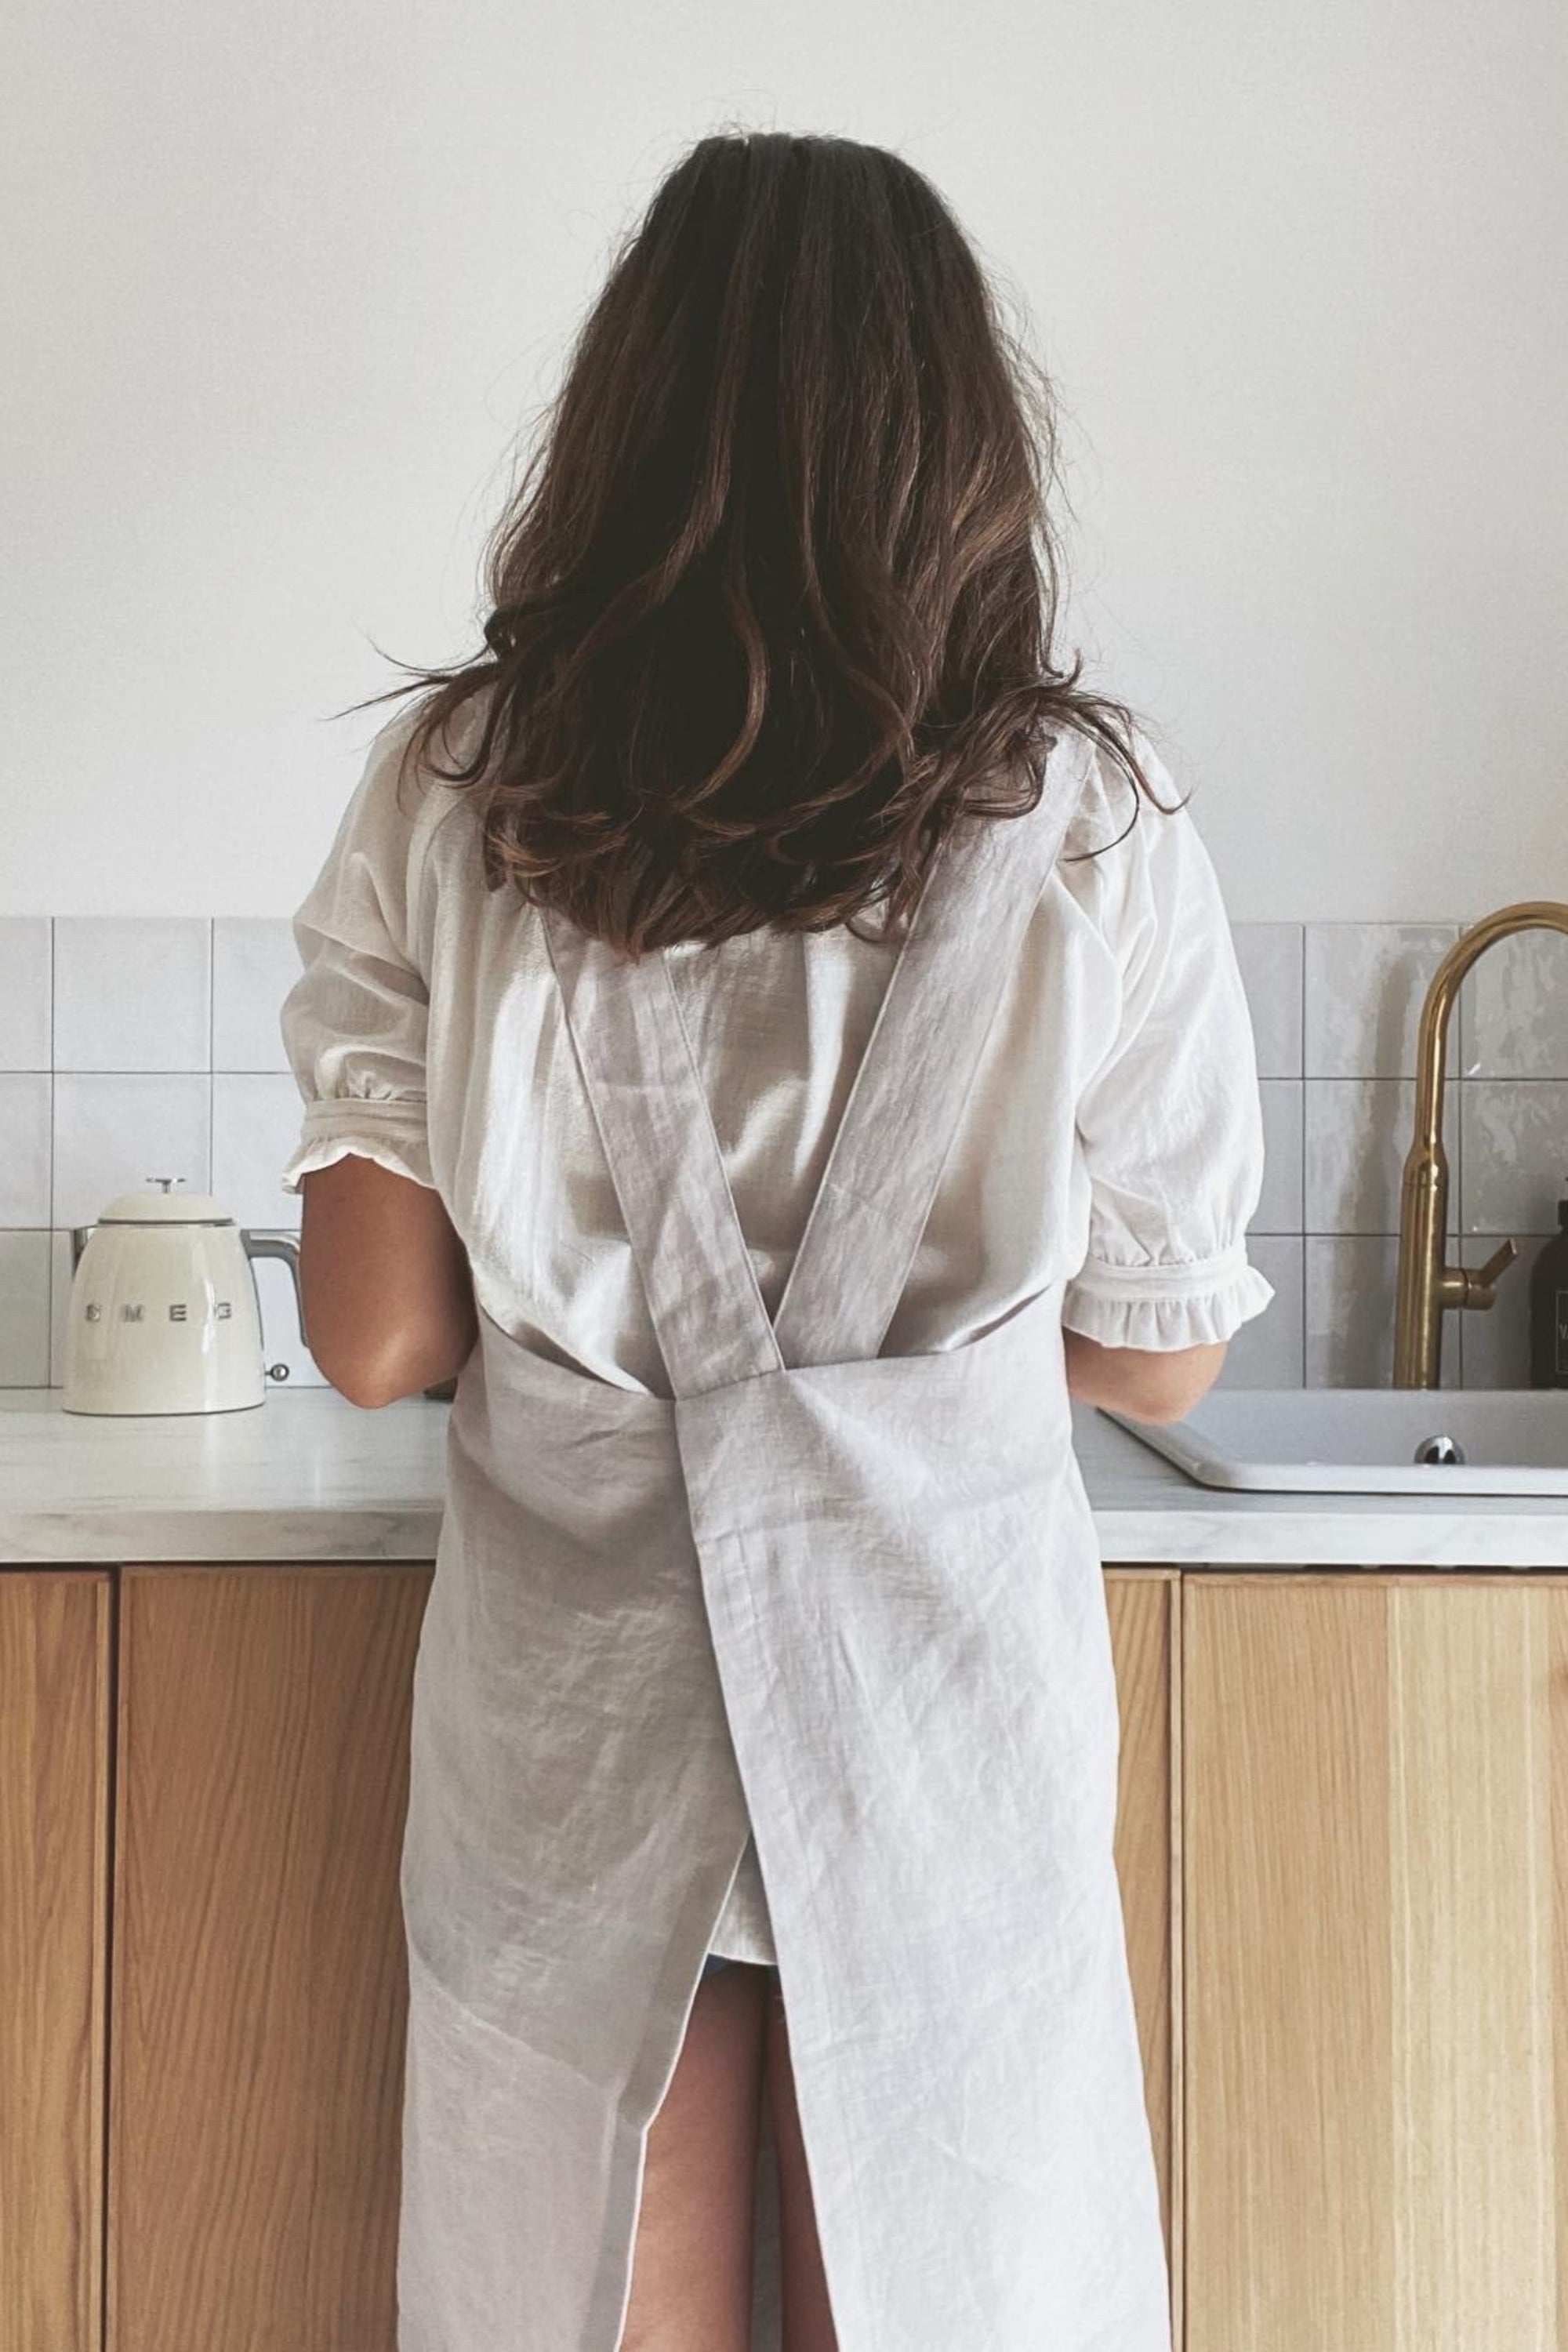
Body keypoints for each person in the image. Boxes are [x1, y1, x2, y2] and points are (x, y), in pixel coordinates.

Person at [280, 129, 1272, 2352]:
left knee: (579, 2291)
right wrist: (906, 1400)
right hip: (941, 1720)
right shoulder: (1092, 817)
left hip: (575, 1728)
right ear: (961, 455)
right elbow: (1166, 1346)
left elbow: (368, 1337)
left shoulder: (460, 790)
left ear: (619, 427)